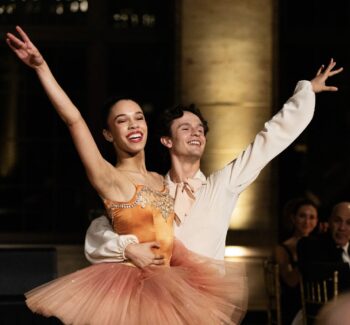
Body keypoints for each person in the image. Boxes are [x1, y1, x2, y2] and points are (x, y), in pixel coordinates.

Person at [6, 26, 248, 325]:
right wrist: (41, 68)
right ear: (108, 134)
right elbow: (74, 120)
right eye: (122, 121)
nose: (134, 126)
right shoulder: (108, 177)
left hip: (175, 287)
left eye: (139, 117)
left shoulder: (162, 179)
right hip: (132, 293)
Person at [85, 63, 343, 268]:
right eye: (185, 128)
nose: (196, 133)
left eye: (200, 129)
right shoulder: (153, 188)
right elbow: (104, 224)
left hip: (206, 303)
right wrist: (127, 248)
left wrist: (306, 92)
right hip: (154, 297)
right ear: (166, 140)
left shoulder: (222, 184)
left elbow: (269, 140)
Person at [274, 198, 319, 325]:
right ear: (293, 218)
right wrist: (308, 260)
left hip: (316, 300)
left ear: (317, 221)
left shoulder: (320, 245)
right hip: (294, 303)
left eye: (312, 217)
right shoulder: (282, 248)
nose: (307, 222)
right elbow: (290, 281)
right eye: (302, 216)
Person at [298, 202, 350, 292]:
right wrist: (347, 267)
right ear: (329, 222)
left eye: (349, 223)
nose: (342, 228)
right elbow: (309, 270)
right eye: (337, 221)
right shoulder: (310, 244)